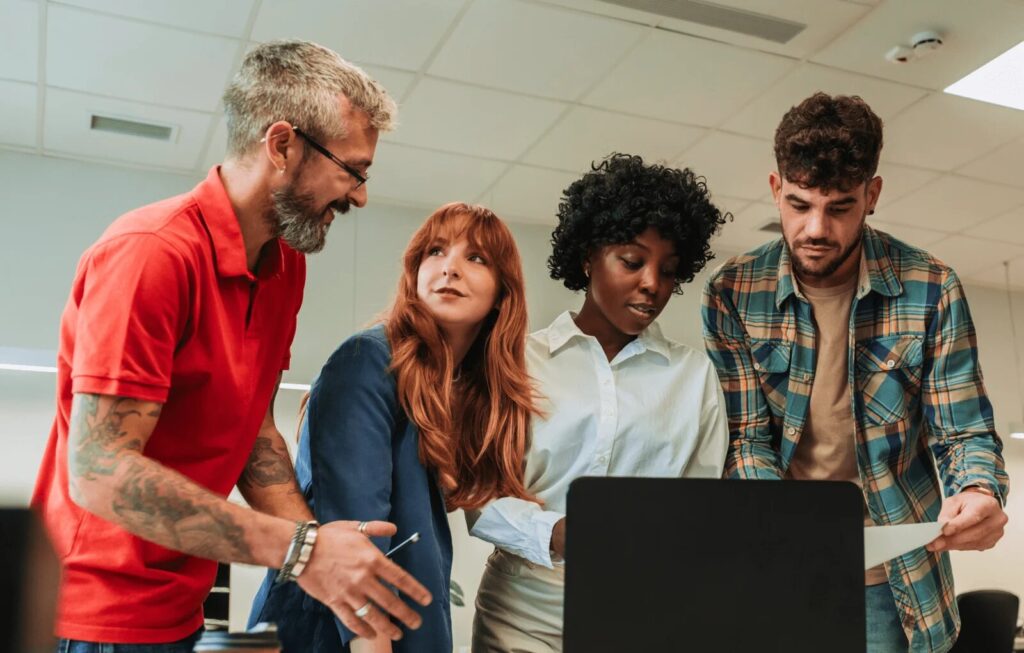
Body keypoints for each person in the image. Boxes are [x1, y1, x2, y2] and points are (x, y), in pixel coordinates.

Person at [30, 40, 431, 651]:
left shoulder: (285, 266)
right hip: (93, 616)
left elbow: (254, 434)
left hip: (181, 608)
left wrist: (321, 553)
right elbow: (100, 472)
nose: (359, 196)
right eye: (352, 170)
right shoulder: (150, 253)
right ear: (281, 145)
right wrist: (303, 551)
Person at [701, 92, 1009, 653]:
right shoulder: (732, 292)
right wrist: (783, 526)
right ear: (776, 189)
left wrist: (978, 488)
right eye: (798, 205)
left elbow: (961, 429)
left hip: (893, 583)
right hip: (779, 564)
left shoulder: (931, 287)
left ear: (872, 194)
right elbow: (748, 438)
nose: (815, 228)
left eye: (840, 207)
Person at [469, 153, 731, 652]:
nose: (653, 283)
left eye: (670, 271)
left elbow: (702, 508)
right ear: (588, 256)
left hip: (644, 613)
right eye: (632, 261)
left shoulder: (693, 376)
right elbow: (477, 498)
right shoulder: (515, 361)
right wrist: (558, 533)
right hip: (521, 615)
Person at [248, 202, 538, 653]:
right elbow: (360, 538)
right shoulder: (369, 361)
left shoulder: (459, 389)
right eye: (435, 252)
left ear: (504, 292)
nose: (450, 269)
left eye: (475, 258)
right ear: (415, 270)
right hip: (333, 631)